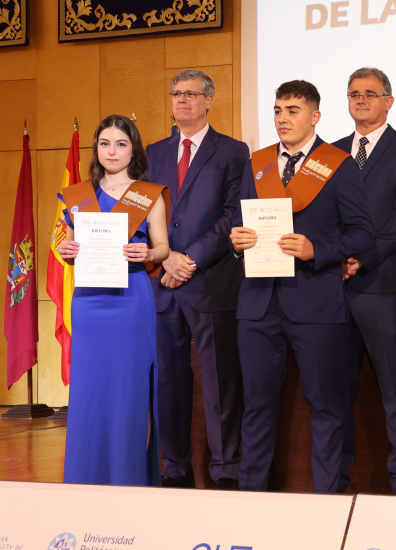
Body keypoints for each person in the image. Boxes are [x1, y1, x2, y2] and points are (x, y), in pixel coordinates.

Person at [230, 80, 374, 493]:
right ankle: (251, 499)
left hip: (315, 302)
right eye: (277, 110)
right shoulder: (255, 164)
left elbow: (363, 234)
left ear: (314, 116)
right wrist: (235, 242)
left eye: (292, 110)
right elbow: (241, 225)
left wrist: (318, 249)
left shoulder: (339, 164)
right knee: (256, 407)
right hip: (257, 304)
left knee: (327, 407)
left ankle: (327, 501)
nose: (282, 119)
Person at [147, 69, 251, 490]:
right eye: (176, 94)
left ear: (209, 101)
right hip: (161, 282)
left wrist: (189, 259)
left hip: (210, 280)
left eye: (191, 94)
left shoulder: (232, 151)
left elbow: (233, 213)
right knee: (169, 381)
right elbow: (142, 208)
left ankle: (226, 470)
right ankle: (174, 467)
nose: (182, 100)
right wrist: (167, 258)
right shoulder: (152, 153)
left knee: (219, 381)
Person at [56, 115, 170, 486]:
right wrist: (66, 249)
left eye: (121, 143)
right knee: (90, 392)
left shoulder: (149, 194)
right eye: (105, 143)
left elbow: (163, 246)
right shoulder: (77, 196)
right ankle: (85, 479)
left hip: (131, 302)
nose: (112, 151)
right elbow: (68, 247)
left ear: (133, 149)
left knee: (127, 391)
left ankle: (126, 479)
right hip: (89, 304)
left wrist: (149, 255)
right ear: (96, 149)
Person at [333, 67, 396, 495]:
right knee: (334, 396)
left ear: (389, 101)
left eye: (370, 93)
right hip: (331, 287)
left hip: (380, 284)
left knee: (395, 395)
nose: (361, 100)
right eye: (354, 93)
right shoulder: (329, 153)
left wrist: (361, 257)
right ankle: (335, 482)